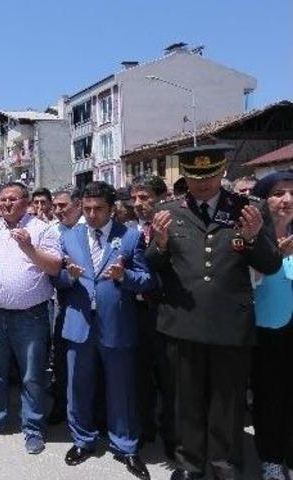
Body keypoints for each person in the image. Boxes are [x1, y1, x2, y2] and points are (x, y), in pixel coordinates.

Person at [147, 144, 282, 480]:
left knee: (228, 401)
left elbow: (270, 264)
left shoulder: (249, 209)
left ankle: (224, 464)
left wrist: (253, 239)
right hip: (183, 322)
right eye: (195, 177)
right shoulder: (168, 210)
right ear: (185, 177)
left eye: (209, 176)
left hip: (230, 325)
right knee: (186, 401)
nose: (202, 183)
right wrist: (160, 244)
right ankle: (189, 464)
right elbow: (154, 265)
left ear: (222, 172)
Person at [55, 182, 152, 480]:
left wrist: (125, 276)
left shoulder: (130, 236)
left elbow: (147, 280)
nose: (92, 214)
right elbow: (55, 280)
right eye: (87, 209)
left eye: (98, 209)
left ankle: (125, 444)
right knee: (78, 386)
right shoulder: (68, 237)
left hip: (117, 324)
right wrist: (66, 277)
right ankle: (82, 440)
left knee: (120, 387)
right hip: (80, 323)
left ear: (112, 209)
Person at [0, 181, 62, 454]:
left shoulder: (42, 229)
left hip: (30, 316)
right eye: (2, 199)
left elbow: (55, 268)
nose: (6, 204)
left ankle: (33, 428)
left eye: (12, 199)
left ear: (26, 201)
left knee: (32, 375)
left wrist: (29, 248)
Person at [249, 171, 293, 480]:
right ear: (264, 200)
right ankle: (272, 459)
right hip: (268, 329)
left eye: (292, 192)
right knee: (271, 398)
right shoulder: (253, 236)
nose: (287, 199)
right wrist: (274, 254)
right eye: (278, 193)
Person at [130, 174, 175, 459]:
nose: (138, 203)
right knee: (140, 376)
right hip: (137, 314)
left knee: (170, 379)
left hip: (169, 312)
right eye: (134, 198)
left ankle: (172, 435)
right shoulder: (129, 230)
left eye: (144, 197)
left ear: (162, 197)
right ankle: (145, 428)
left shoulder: (176, 226)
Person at [48, 188, 85, 426]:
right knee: (61, 360)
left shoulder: (89, 228)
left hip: (91, 305)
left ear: (78, 205)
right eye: (56, 206)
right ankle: (61, 406)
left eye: (63, 206)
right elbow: (53, 273)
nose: (58, 211)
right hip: (62, 301)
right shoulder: (52, 232)